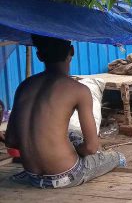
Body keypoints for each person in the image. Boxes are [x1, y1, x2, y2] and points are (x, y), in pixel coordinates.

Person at [5, 34, 125, 189]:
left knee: (72, 135)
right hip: (66, 175)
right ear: (72, 51)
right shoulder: (79, 90)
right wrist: (73, 152)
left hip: (32, 175)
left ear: (39, 56)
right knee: (117, 157)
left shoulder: (24, 86)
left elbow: (11, 141)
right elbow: (91, 147)